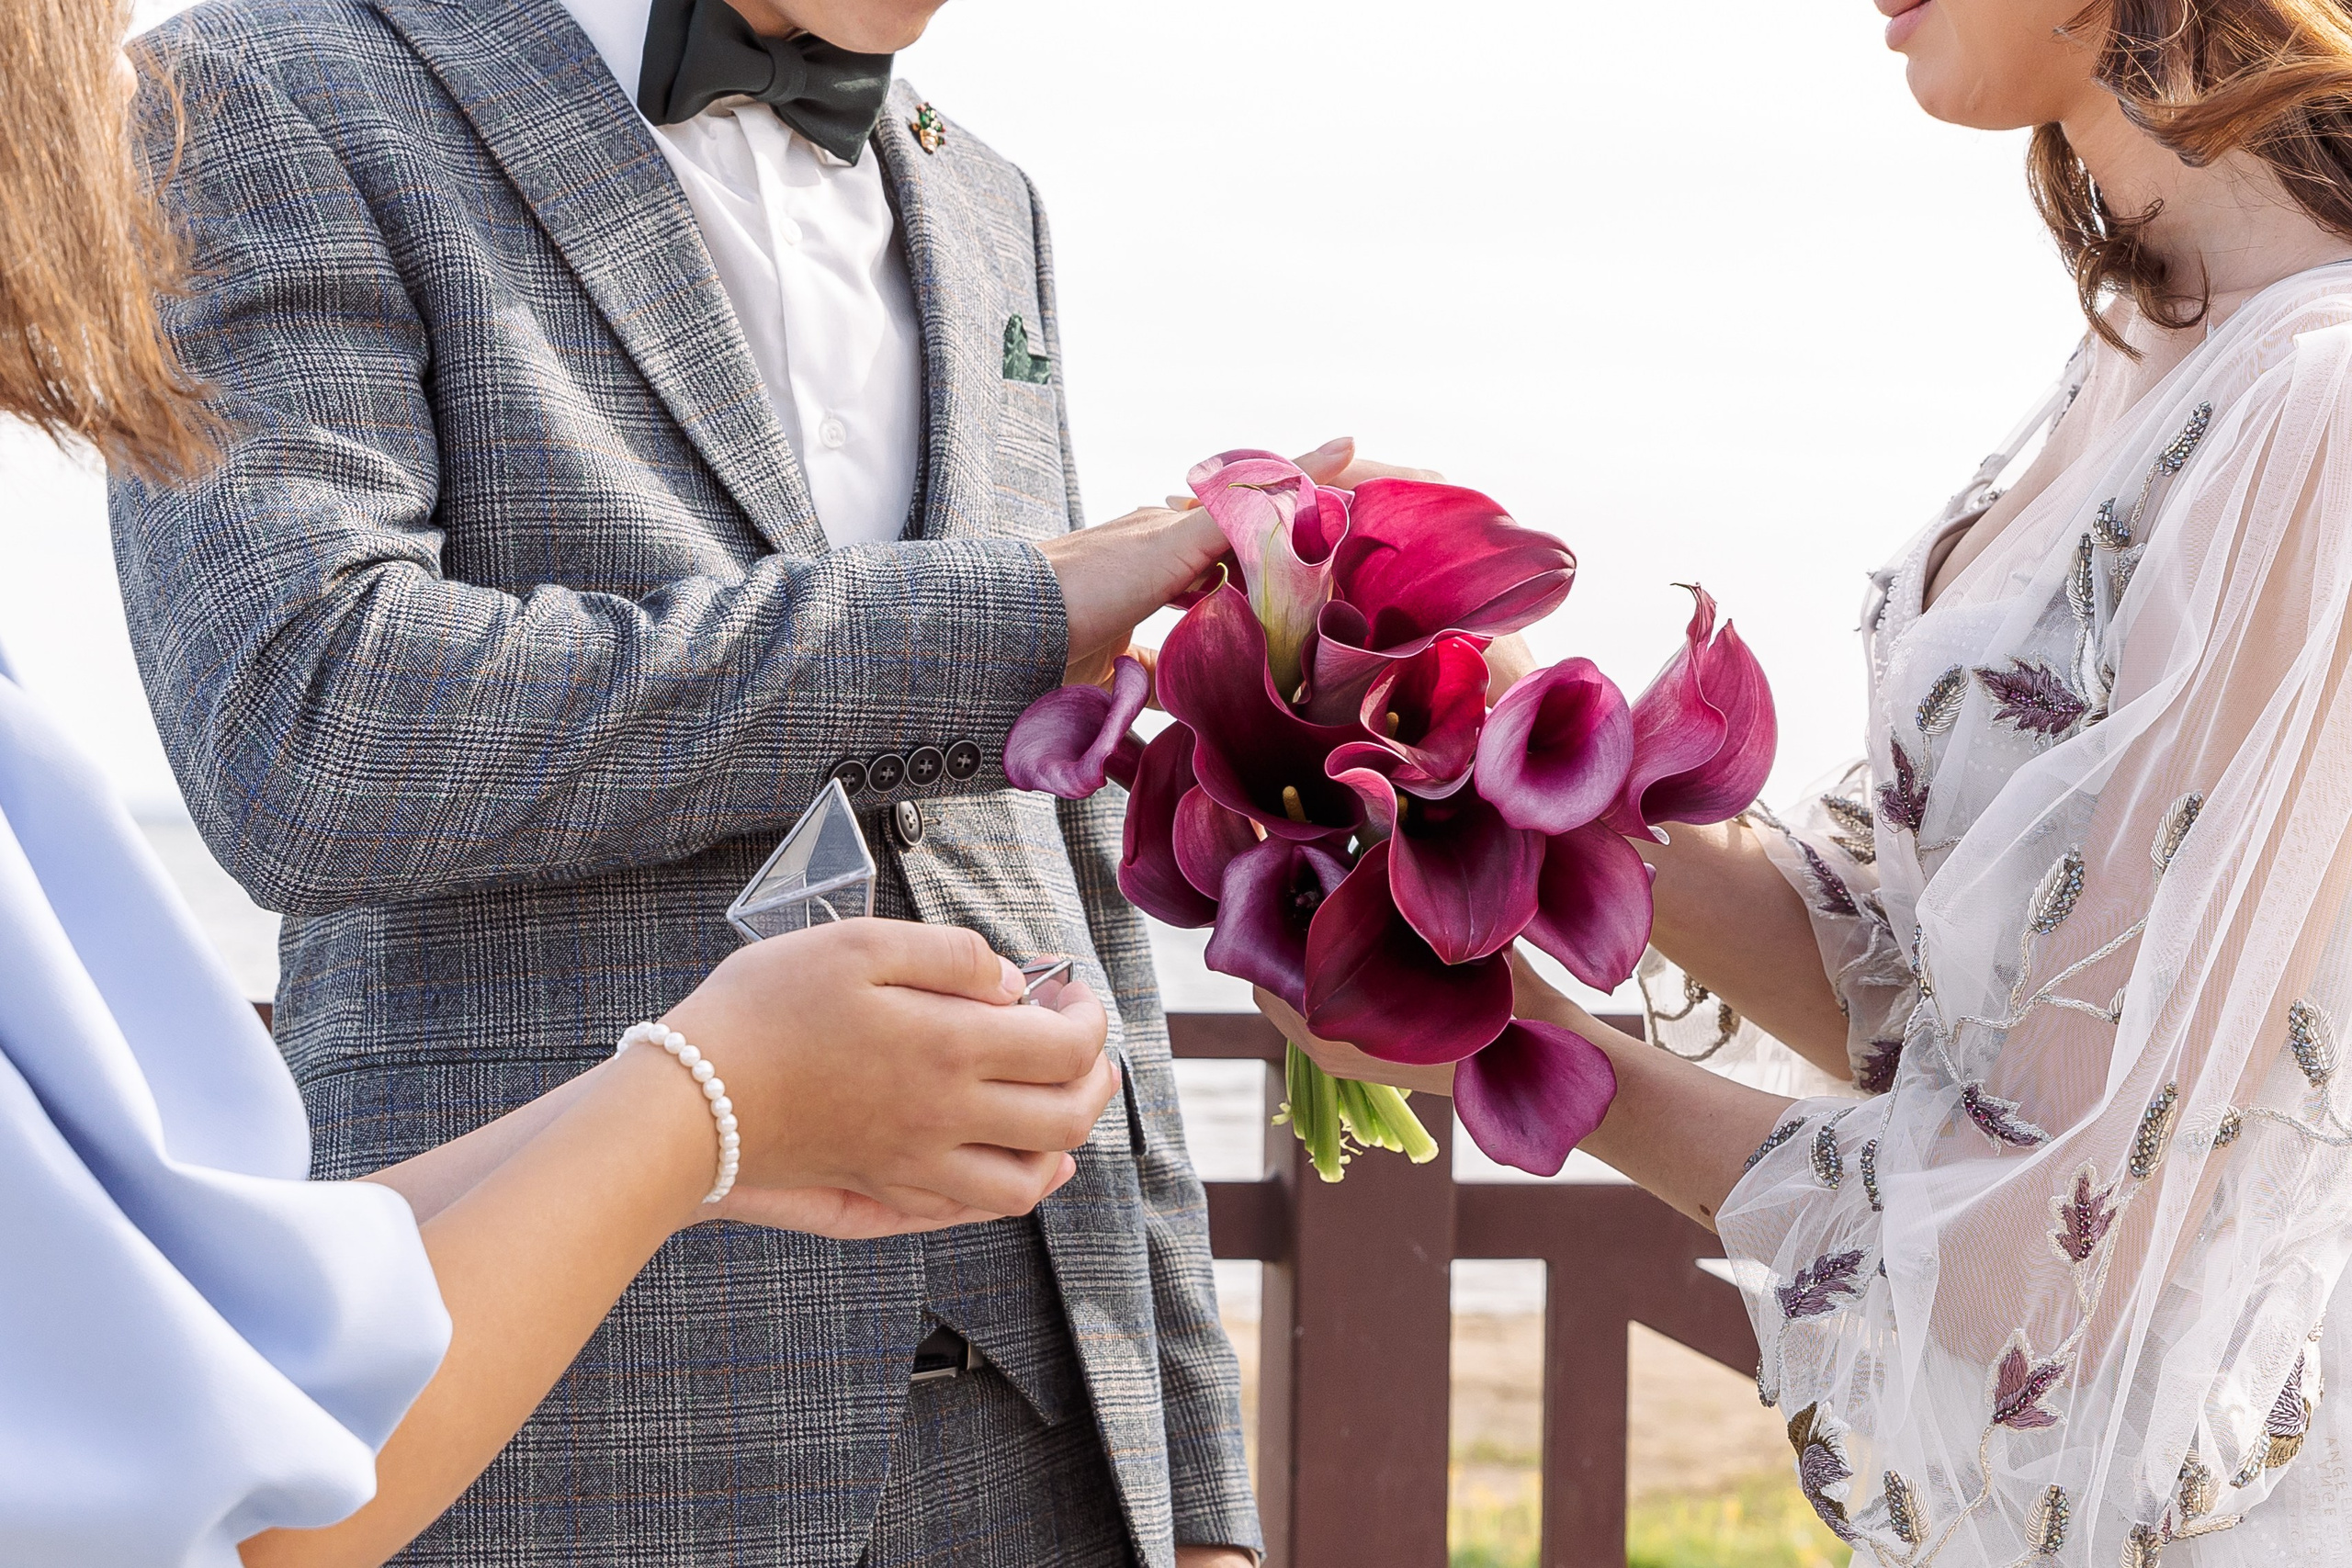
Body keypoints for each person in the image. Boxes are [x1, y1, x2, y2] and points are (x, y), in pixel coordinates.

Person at [101, 0, 1422, 1560]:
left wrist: (1192, 1487)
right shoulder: (252, 92)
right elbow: (309, 734)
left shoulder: (987, 199)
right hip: (549, 1432)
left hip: (1046, 1445)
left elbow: (1055, 836)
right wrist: (1005, 612)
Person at [1272, 1, 2352, 1562]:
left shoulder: (2312, 406)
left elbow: (2037, 1254)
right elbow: (1932, 1004)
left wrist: (1511, 1046)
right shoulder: (2158, 349)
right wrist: (1478, 721)